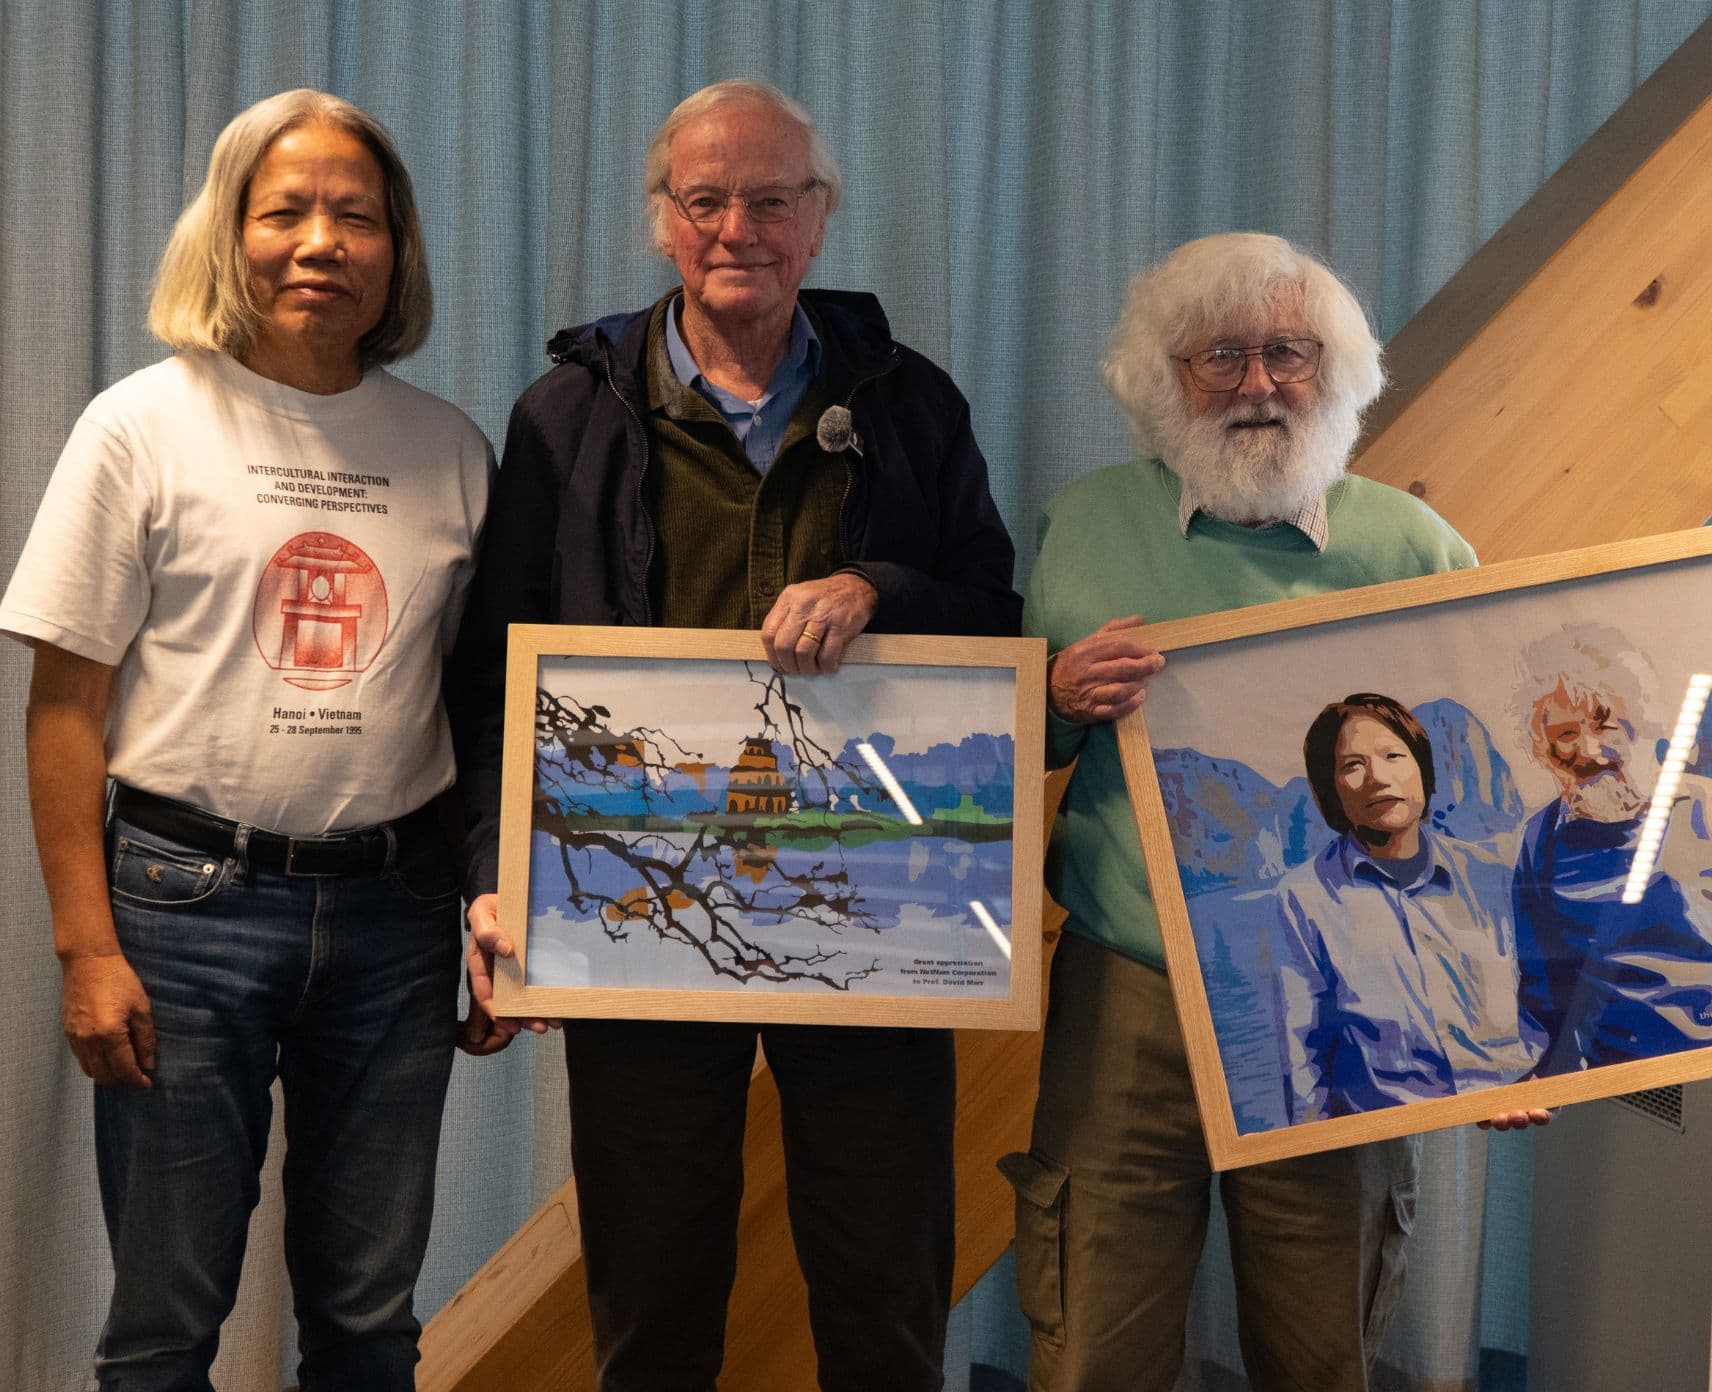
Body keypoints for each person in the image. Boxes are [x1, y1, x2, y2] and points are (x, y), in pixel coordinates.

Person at [449, 79, 1020, 1391]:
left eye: (772, 199)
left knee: (884, 1288)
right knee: (652, 1290)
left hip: (869, 904)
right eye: (707, 199)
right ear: (662, 219)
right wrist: (496, 871)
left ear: (819, 221)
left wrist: (883, 586)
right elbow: (495, 672)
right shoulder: (567, 416)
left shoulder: (910, 405)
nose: (738, 228)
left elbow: (997, 618)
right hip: (636, 909)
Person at [0, 89, 491, 1389]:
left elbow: (473, 708)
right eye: (286, 212)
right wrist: (85, 945)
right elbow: (65, 705)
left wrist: (506, 915)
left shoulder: (449, 450)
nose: (321, 242)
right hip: (179, 911)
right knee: (164, 1326)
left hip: (398, 919)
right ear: (230, 233)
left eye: (357, 216)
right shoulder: (137, 426)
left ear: (397, 251)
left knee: (369, 1323)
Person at [1006, 232, 1544, 1392]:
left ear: (1335, 371)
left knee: (1321, 1349)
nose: (1256, 384)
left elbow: (1489, 807)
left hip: (1349, 995)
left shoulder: (1414, 547)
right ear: (1164, 379)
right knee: (1095, 1340)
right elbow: (1012, 750)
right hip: (1129, 992)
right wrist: (1053, 699)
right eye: (1220, 357)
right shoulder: (1080, 527)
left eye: (1287, 354)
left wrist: (1502, 1016)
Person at [1275, 694, 1543, 1122]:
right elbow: (1303, 1053)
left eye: (1393, 755)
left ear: (1423, 772)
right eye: (1352, 765)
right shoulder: (1305, 896)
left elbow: (1546, 996)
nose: (1377, 777)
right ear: (1331, 792)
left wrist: (1552, 1086)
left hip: (1519, 1110)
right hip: (1388, 1134)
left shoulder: (1493, 875)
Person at [1511, 626, 1712, 1074]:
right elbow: (1542, 994)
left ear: (1639, 724)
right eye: (1565, 734)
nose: (1588, 751)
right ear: (1544, 752)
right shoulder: (1538, 839)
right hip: (1609, 1085)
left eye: (1605, 724)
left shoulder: (1701, 809)